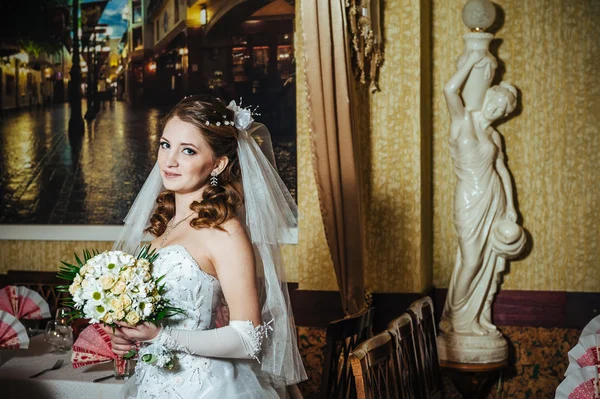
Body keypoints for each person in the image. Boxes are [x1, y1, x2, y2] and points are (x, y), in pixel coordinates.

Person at [105, 94, 306, 398]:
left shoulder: (224, 231)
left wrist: (162, 336)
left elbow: (248, 338)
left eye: (188, 150)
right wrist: (129, 336)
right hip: (154, 384)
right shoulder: (165, 226)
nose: (169, 160)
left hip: (207, 388)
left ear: (217, 164)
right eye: (165, 144)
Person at [440, 52, 526, 337]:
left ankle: (476, 317)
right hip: (468, 198)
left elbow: (502, 169)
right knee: (472, 259)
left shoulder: (494, 137)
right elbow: (449, 90)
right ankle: (455, 318)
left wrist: (511, 207)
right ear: (488, 96)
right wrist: (469, 61)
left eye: (503, 109)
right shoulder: (461, 119)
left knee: (488, 260)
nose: (496, 110)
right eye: (495, 102)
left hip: (494, 198)